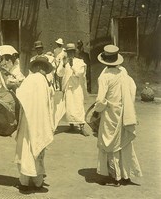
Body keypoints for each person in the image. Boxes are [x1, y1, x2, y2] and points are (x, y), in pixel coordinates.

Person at [93, 45, 142, 186]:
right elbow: (132, 89)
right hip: (123, 112)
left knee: (109, 144)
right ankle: (126, 174)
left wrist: (98, 109)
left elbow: (100, 100)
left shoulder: (104, 77)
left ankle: (116, 177)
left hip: (109, 113)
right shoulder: (123, 73)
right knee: (123, 144)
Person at [15, 56, 54, 194]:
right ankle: (38, 182)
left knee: (26, 148)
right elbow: (50, 102)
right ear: (39, 68)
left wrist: (16, 87)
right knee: (39, 147)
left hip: (28, 119)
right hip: (41, 121)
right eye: (42, 68)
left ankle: (24, 182)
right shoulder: (46, 82)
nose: (43, 70)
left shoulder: (29, 79)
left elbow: (20, 95)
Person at [56, 43, 89, 136]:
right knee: (69, 107)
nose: (70, 54)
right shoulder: (64, 62)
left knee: (78, 106)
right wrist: (63, 64)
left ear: (74, 52)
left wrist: (72, 65)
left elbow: (80, 73)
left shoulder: (80, 62)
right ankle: (71, 125)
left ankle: (82, 127)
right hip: (68, 87)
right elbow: (59, 74)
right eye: (68, 52)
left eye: (72, 52)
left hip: (77, 88)